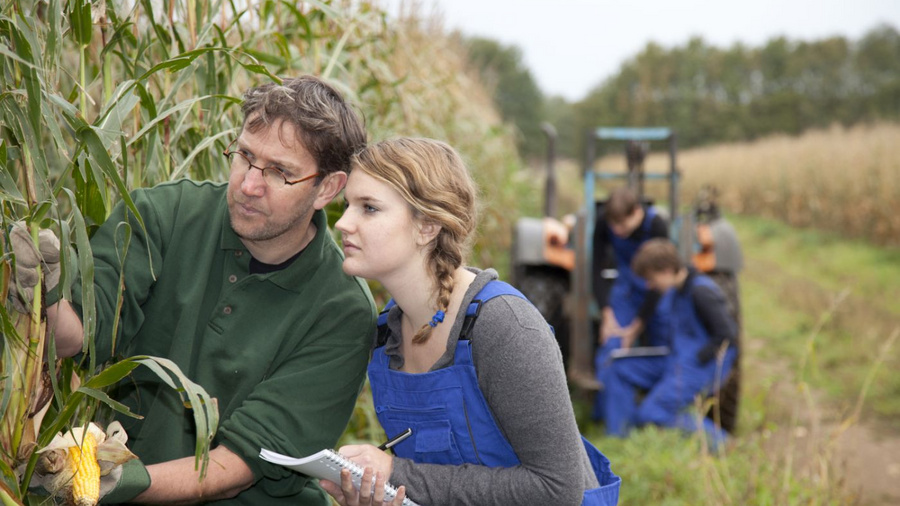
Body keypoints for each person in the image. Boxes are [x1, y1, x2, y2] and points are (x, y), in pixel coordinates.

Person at [13, 76, 375, 504]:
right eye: (244, 156)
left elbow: (237, 467)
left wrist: (116, 483)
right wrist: (45, 297)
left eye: (279, 172)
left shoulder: (343, 310)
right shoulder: (164, 214)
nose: (248, 185)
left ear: (328, 188)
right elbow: (79, 337)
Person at [320, 138, 621, 505]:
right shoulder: (387, 337)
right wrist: (380, 494)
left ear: (427, 226)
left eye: (369, 208)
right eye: (349, 205)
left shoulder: (503, 327)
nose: (344, 223)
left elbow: (557, 490)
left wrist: (397, 474)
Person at [607, 238, 736, 445]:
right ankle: (620, 438)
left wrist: (698, 358)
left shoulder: (701, 291)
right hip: (676, 358)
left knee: (652, 411)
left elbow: (727, 334)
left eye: (651, 278)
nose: (649, 285)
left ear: (667, 271)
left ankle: (722, 443)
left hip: (701, 365)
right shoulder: (675, 291)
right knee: (619, 367)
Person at [591, 187, 673, 433]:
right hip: (626, 289)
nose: (618, 232)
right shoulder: (603, 222)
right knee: (612, 346)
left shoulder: (657, 224)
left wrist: (637, 326)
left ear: (637, 212)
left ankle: (661, 413)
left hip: (656, 290)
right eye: (613, 226)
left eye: (623, 225)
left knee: (665, 347)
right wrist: (607, 313)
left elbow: (660, 283)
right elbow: (594, 267)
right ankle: (610, 421)